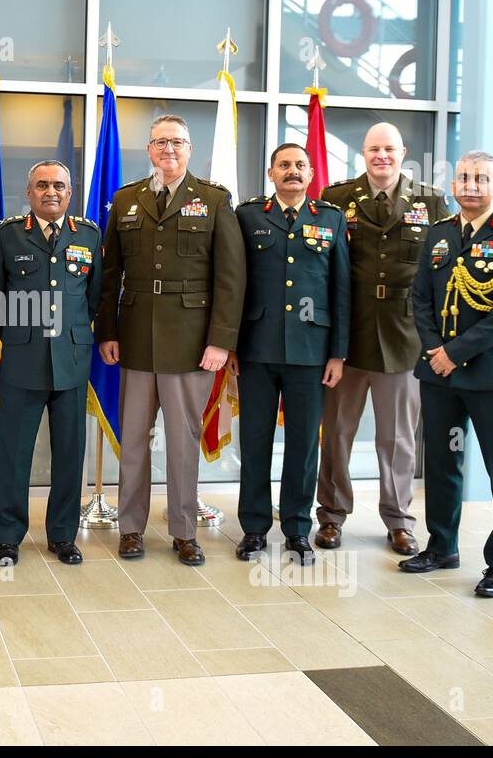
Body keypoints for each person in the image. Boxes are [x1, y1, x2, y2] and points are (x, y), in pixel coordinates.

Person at [96, 114, 246, 565]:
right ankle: (130, 529)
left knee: (183, 441)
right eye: (160, 142)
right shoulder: (125, 201)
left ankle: (184, 531)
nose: (168, 150)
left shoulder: (215, 200)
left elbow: (230, 278)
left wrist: (221, 340)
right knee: (135, 441)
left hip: (190, 343)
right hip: (137, 338)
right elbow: (110, 275)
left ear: (189, 148)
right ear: (149, 150)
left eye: (177, 142)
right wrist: (107, 330)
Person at [401, 151, 493, 597]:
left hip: (492, 376)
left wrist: (454, 353)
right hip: (439, 375)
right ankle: (442, 546)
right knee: (443, 463)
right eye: (463, 177)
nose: (470, 184)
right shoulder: (440, 233)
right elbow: (420, 297)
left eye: (481, 178)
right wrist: (434, 351)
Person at [315, 123, 449, 555]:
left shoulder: (430, 201)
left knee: (398, 437)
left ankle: (399, 520)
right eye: (374, 149)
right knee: (336, 432)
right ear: (363, 152)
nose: (382, 156)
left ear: (402, 151)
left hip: (404, 336)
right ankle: (332, 516)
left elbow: (443, 274)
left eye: (389, 149)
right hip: (347, 337)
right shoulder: (336, 198)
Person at [232, 144, 349, 564]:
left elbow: (340, 289)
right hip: (257, 348)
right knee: (255, 441)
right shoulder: (247, 217)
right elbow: (233, 283)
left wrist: (337, 354)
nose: (293, 171)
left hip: (311, 352)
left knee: (303, 446)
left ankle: (298, 529)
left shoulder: (330, 219)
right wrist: (230, 345)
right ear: (271, 173)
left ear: (311, 172)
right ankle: (254, 528)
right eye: (284, 165)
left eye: (300, 165)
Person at [0, 160, 102, 566]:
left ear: (70, 193)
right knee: (14, 454)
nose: (51, 192)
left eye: (59, 186)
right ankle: (8, 537)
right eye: (42, 185)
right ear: (28, 192)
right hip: (23, 359)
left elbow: (95, 298)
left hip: (71, 359)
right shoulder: (8, 235)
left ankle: (63, 535)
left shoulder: (87, 234)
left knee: (71, 454)